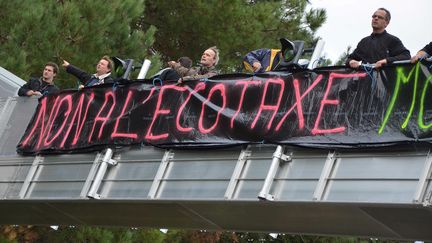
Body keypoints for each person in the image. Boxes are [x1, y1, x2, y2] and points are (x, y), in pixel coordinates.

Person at [346, 8, 410, 69]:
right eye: (374, 16)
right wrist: (351, 62)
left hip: (386, 79)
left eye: (380, 17)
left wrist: (386, 61)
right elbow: (350, 59)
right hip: (366, 79)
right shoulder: (364, 42)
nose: (376, 18)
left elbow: (406, 56)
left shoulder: (393, 40)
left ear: (386, 23)